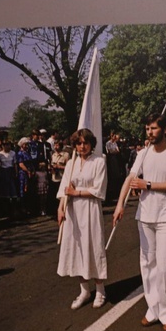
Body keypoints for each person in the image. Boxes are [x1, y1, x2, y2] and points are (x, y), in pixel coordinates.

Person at [113, 113, 166, 331]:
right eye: (147, 129)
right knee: (148, 266)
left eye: (154, 128)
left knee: (165, 267)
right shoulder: (143, 153)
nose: (149, 132)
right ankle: (154, 308)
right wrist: (119, 205)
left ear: (165, 129)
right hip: (144, 216)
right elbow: (130, 178)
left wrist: (149, 184)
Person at [57, 128, 108, 310]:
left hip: (90, 209)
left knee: (93, 247)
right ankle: (84, 290)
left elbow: (99, 190)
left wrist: (76, 192)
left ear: (91, 144)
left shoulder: (99, 161)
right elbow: (65, 187)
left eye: (85, 142)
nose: (82, 146)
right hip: (73, 212)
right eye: (78, 143)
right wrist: (61, 207)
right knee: (76, 249)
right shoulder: (71, 163)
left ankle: (100, 290)